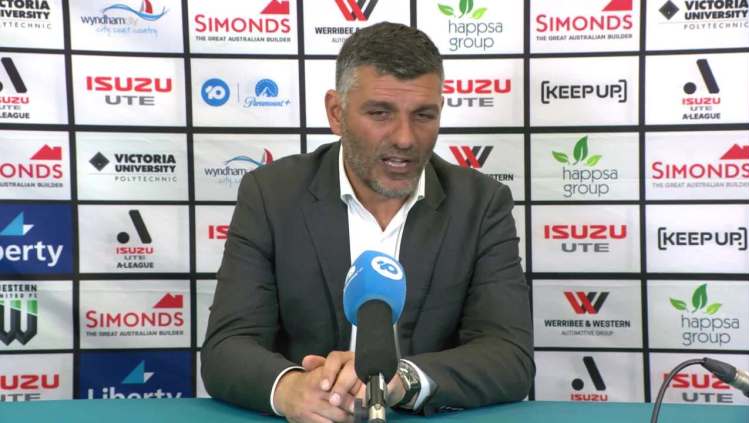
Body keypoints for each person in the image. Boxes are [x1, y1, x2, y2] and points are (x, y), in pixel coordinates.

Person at [201, 22, 534, 422]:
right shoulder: (271, 195)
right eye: (380, 113)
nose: (405, 138)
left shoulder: (481, 204)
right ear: (336, 113)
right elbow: (226, 347)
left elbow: (509, 356)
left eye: (423, 115)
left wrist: (402, 381)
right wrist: (292, 389)